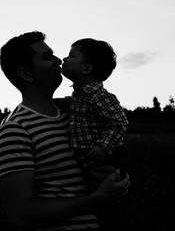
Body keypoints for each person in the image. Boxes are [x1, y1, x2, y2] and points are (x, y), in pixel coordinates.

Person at [0, 31, 131, 231]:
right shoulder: (15, 129)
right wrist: (95, 199)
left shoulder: (75, 112)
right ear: (26, 74)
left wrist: (118, 181)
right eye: (47, 57)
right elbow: (20, 215)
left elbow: (112, 149)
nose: (59, 61)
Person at [61, 38, 130, 230]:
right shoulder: (80, 96)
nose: (64, 59)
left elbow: (119, 122)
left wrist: (102, 146)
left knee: (107, 210)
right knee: (98, 206)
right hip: (92, 161)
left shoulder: (100, 97)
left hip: (106, 158)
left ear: (86, 69)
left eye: (72, 55)